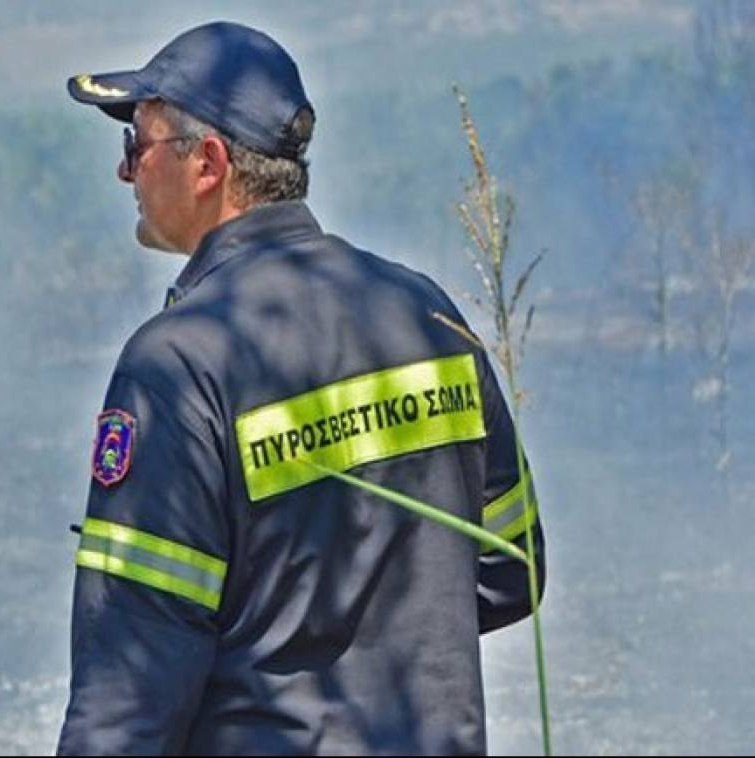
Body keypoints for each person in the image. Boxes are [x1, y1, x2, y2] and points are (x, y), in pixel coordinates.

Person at [58, 21, 545, 756]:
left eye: (138, 146)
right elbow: (513, 568)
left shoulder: (176, 363)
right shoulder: (427, 313)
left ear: (208, 164)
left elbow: (130, 690)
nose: (126, 173)